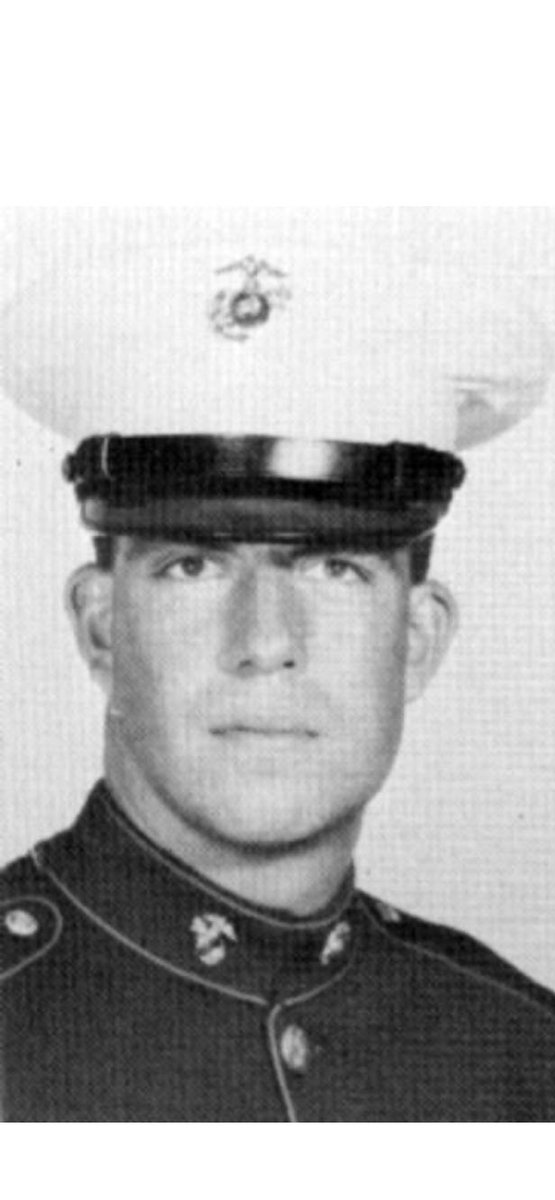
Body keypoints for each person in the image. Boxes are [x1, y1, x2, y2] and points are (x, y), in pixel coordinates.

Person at [1, 208, 555, 1122]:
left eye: (335, 569)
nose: (266, 641)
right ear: (101, 630)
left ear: (417, 641)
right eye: (194, 566)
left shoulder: (519, 1055)